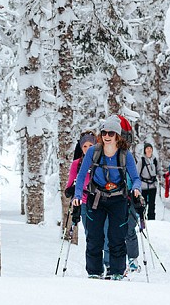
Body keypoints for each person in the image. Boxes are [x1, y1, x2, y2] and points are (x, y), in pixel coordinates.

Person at [73, 115, 142, 280]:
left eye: (111, 133)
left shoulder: (125, 155)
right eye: (104, 133)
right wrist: (77, 195)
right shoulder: (93, 152)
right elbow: (81, 176)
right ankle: (94, 272)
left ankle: (117, 271)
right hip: (96, 198)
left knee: (117, 236)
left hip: (118, 199)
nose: (107, 136)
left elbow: (136, 178)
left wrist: (137, 189)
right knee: (94, 236)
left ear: (117, 135)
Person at [64, 131, 97, 234]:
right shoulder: (77, 163)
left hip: (100, 201)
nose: (88, 149)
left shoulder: (101, 162)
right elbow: (69, 185)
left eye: (90, 145)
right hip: (84, 203)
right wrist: (72, 190)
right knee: (90, 235)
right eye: (85, 146)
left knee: (104, 237)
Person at [138, 143, 159, 220]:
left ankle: (152, 218)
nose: (149, 150)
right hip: (143, 186)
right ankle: (142, 218)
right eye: (147, 148)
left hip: (153, 185)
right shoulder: (141, 160)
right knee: (143, 203)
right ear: (145, 150)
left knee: (152, 203)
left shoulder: (155, 160)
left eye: (150, 148)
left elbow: (158, 170)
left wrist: (164, 175)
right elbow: (137, 172)